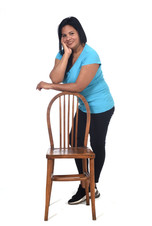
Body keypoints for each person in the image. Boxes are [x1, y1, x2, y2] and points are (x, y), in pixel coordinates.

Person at [36, 16, 115, 205]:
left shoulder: (91, 55)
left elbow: (78, 86)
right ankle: (84, 183)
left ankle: (90, 185)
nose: (68, 37)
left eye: (72, 33)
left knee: (96, 145)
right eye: (64, 35)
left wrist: (48, 86)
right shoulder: (63, 54)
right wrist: (65, 55)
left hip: (101, 106)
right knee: (76, 142)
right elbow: (56, 78)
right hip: (83, 106)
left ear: (80, 33)